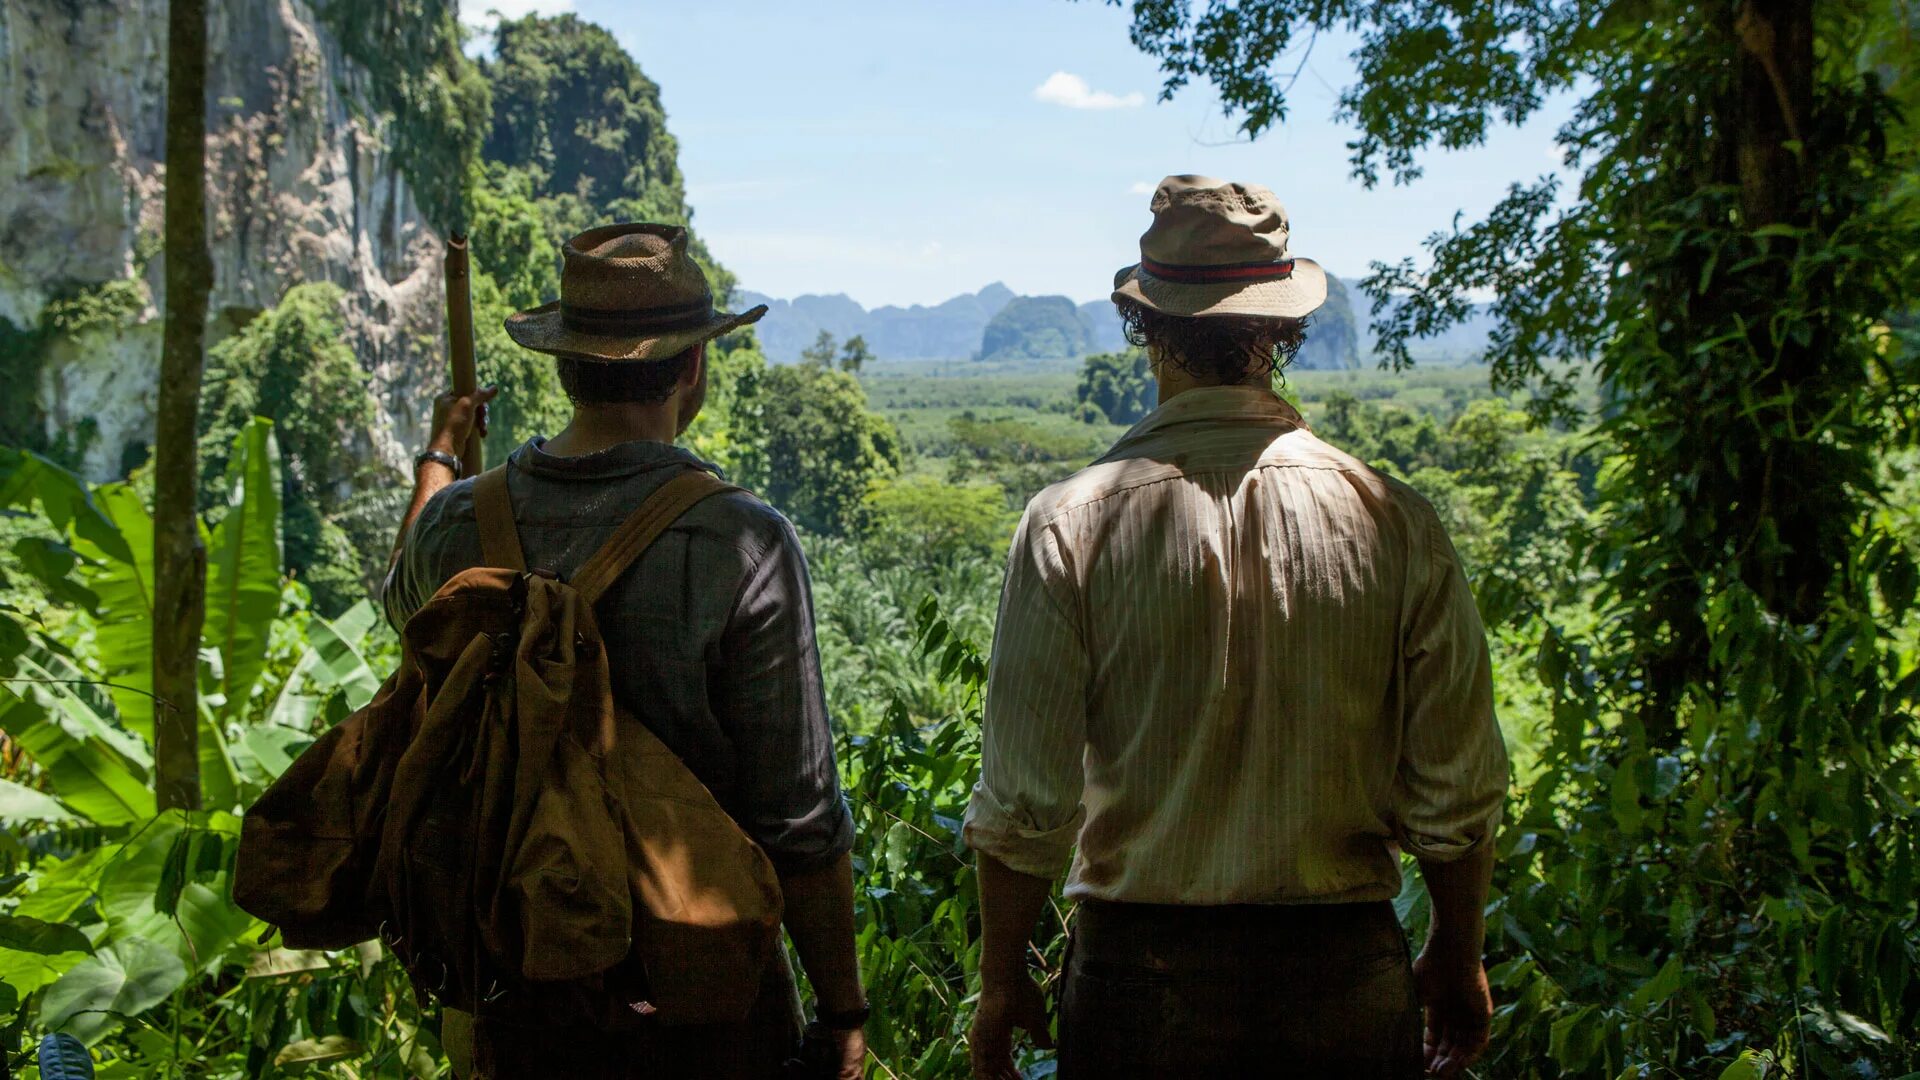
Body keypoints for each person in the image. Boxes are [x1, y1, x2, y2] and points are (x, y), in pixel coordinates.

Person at [963, 176, 1510, 1080]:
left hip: (1142, 984)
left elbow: (1027, 805)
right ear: (1283, 331)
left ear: (1147, 326)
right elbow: (1455, 796)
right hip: (1344, 974)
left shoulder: (1070, 523)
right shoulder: (1394, 520)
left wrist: (1001, 980)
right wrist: (1459, 953)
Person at [383, 223, 869, 1079]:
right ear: (692, 367)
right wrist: (842, 1010)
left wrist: (439, 456)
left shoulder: (460, 524)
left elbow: (401, 592)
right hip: (702, 999)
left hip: (520, 986)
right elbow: (798, 822)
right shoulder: (741, 541)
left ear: (564, 363)